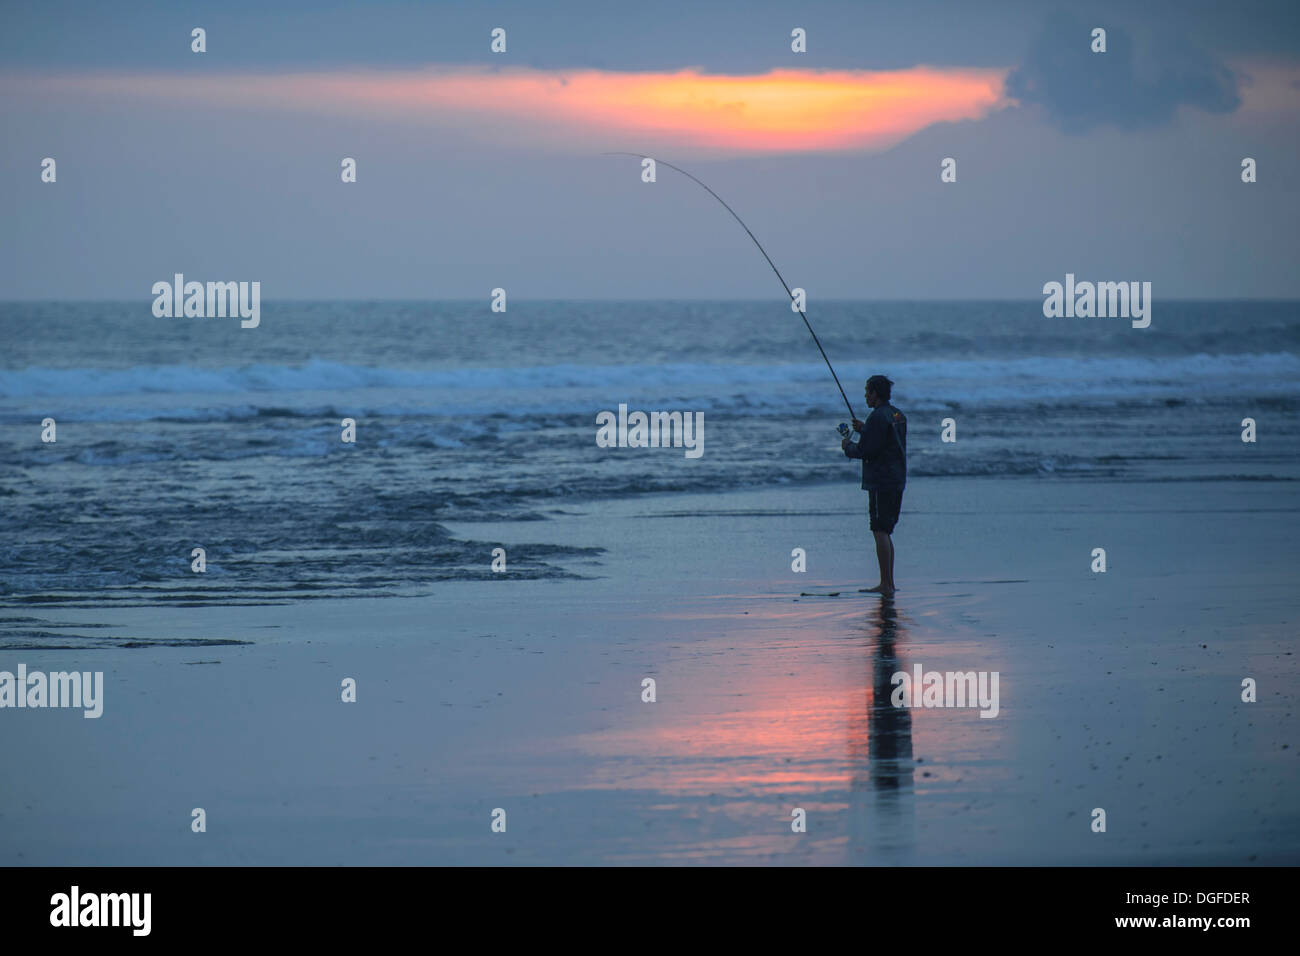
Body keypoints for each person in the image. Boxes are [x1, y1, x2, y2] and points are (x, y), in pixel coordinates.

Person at [842, 375, 907, 596]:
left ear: (875, 393)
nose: (865, 396)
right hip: (896, 478)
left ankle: (886, 585)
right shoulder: (897, 415)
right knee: (886, 531)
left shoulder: (877, 418)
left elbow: (866, 451)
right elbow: (886, 440)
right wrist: (864, 429)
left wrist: (848, 446)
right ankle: (889, 583)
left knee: (879, 530)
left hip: (881, 481)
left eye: (867, 391)